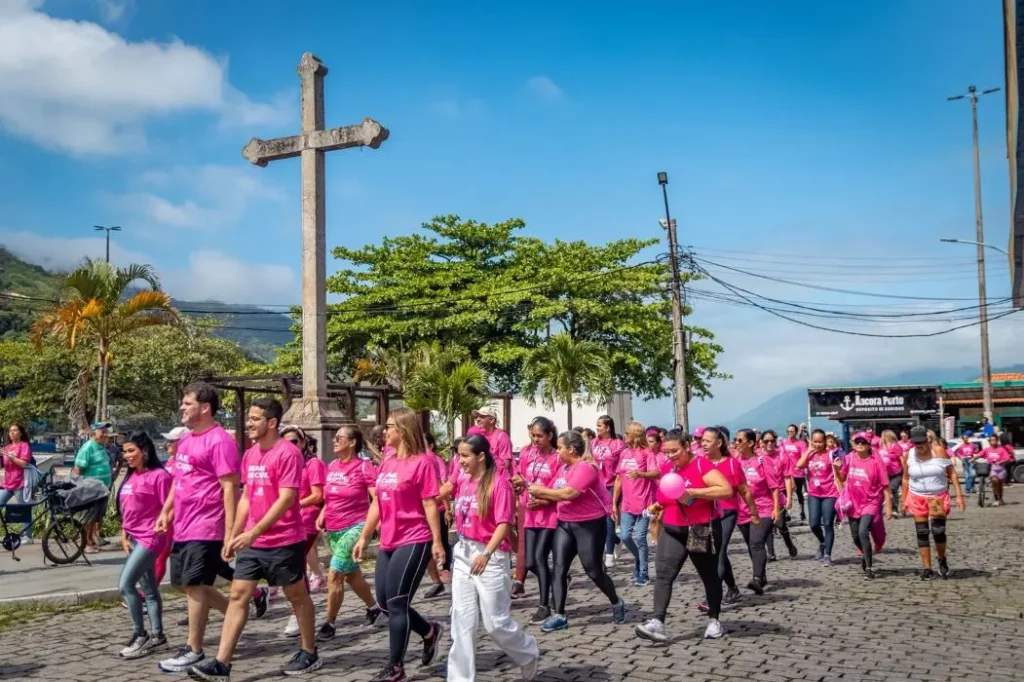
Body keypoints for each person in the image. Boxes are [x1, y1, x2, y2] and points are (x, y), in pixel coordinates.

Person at [186, 398, 320, 681]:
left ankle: (309, 651)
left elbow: (287, 499)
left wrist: (254, 531)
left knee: (296, 595)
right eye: (249, 418)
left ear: (272, 423)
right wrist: (234, 533)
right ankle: (222, 664)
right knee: (237, 595)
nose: (249, 424)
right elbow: (246, 496)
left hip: (284, 539)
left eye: (256, 419)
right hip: (252, 542)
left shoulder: (288, 453)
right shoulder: (250, 455)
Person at [352, 407, 445, 682]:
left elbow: (430, 502)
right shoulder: (388, 462)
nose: (384, 431)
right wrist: (364, 536)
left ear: (402, 430)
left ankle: (396, 668)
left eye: (390, 426)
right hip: (388, 540)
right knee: (384, 601)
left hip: (414, 538)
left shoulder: (423, 462)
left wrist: (437, 541)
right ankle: (429, 631)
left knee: (396, 602)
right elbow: (378, 503)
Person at [157, 383, 242, 673]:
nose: (182, 407)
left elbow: (230, 489)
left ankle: (193, 649)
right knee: (182, 583)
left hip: (206, 525)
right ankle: (237, 609)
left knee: (195, 585)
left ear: (205, 407)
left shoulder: (220, 441)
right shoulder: (186, 440)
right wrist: (167, 510)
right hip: (183, 524)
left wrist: (230, 532)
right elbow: (179, 480)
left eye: (187, 403)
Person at [447, 434, 540, 682]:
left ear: (480, 456)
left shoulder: (498, 484)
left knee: (495, 623)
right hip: (464, 552)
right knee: (462, 620)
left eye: (465, 455)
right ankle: (459, 678)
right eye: (459, 455)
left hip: (490, 555)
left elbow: (503, 523)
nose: (460, 460)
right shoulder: (464, 481)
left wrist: (486, 553)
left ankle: (527, 650)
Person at [634, 429, 734, 643]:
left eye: (675, 451)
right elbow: (668, 495)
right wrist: (657, 506)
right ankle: (657, 622)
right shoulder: (668, 468)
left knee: (709, 576)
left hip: (700, 529)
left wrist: (695, 492)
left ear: (687, 446)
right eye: (666, 451)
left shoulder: (701, 465)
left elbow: (725, 489)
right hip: (672, 529)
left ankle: (714, 620)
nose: (671, 456)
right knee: (663, 575)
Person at [528, 430, 626, 633]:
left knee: (593, 571)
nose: (557, 451)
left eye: (560, 447)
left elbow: (569, 493)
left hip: (589, 525)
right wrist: (537, 496)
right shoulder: (563, 469)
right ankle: (559, 615)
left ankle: (616, 601)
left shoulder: (586, 468)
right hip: (565, 524)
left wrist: (539, 491)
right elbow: (555, 493)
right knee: (559, 567)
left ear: (571, 449)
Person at [316, 426, 384, 641]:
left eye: (339, 438)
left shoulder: (363, 467)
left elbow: (377, 498)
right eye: (334, 437)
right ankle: (374, 609)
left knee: (335, 574)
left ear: (352, 442)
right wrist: (323, 513)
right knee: (352, 576)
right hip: (334, 529)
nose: (334, 441)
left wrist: (378, 523)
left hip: (356, 526)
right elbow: (331, 495)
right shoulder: (332, 465)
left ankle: (329, 623)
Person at [116, 431, 173, 659]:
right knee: (149, 591)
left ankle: (140, 634)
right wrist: (123, 533)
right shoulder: (131, 477)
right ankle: (158, 636)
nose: (127, 455)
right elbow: (128, 509)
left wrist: (164, 524)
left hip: (151, 537)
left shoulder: (159, 476)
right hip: (134, 537)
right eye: (125, 451)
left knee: (125, 585)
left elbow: (171, 506)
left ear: (145, 451)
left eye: (131, 451)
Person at [510, 417, 561, 624]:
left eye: (540, 436)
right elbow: (521, 477)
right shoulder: (526, 452)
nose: (535, 439)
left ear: (550, 436)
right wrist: (517, 488)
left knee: (539, 557)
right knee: (530, 561)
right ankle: (557, 580)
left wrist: (542, 499)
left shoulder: (557, 457)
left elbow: (559, 488)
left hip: (549, 514)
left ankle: (544, 605)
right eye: (533, 435)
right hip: (530, 513)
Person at [700, 426, 758, 609]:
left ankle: (713, 598)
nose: (703, 444)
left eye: (707, 441)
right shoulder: (700, 463)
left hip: (727, 512)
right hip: (706, 514)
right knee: (714, 553)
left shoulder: (732, 464)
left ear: (718, 443)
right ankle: (733, 588)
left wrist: (754, 513)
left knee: (719, 551)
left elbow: (745, 491)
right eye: (702, 441)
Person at [279, 425, 327, 637]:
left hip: (307, 520)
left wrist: (295, 503)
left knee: (296, 565)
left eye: (294, 442)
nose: (291, 446)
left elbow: (318, 494)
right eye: (286, 442)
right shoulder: (286, 463)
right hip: (288, 521)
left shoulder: (313, 464)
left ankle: (297, 613)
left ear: (304, 442)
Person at [900, 425, 965, 580]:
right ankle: (927, 568)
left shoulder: (939, 452)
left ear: (928, 439)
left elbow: (952, 474)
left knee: (938, 531)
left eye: (921, 442)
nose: (919, 446)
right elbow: (905, 478)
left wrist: (959, 496)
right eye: (915, 443)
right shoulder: (908, 455)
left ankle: (942, 559)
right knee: (922, 532)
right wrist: (903, 500)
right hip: (917, 496)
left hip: (937, 497)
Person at [836, 433, 893, 579]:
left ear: (869, 445)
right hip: (853, 502)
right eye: (857, 442)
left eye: (863, 442)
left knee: (863, 532)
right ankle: (866, 554)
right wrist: (837, 468)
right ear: (853, 444)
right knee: (855, 536)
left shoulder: (875, 462)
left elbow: (885, 485)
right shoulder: (849, 458)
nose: (860, 444)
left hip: (871, 502)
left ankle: (869, 567)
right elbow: (842, 478)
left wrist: (889, 507)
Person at [612, 422, 660, 586]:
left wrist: (640, 473)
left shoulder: (647, 453)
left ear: (635, 435)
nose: (624, 436)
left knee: (640, 538)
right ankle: (639, 559)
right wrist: (614, 502)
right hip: (627, 503)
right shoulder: (624, 453)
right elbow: (619, 478)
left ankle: (643, 573)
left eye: (627, 433)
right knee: (624, 536)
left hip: (644, 502)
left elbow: (655, 473)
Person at [734, 428, 779, 593]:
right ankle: (762, 575)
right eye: (735, 440)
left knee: (757, 542)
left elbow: (774, 487)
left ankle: (757, 579)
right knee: (751, 545)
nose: (736, 443)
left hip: (763, 508)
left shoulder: (762, 460)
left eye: (740, 440)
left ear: (751, 443)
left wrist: (776, 509)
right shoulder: (736, 461)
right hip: (743, 511)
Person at [796, 429, 840, 567]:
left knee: (827, 524)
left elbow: (841, 472)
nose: (817, 444)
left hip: (830, 493)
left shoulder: (831, 454)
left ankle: (827, 555)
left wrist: (838, 467)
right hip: (814, 493)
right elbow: (799, 465)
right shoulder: (810, 454)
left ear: (825, 441)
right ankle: (822, 542)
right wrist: (809, 450)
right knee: (813, 524)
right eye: (815, 441)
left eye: (820, 441)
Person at [73, 421, 114, 553]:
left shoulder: (101, 447)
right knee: (88, 517)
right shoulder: (88, 448)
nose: (105, 434)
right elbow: (78, 469)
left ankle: (90, 540)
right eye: (102, 431)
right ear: (94, 432)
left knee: (95, 517)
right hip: (90, 489)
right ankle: (85, 544)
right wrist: (80, 487)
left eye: (106, 431)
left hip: (102, 490)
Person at [758, 430, 798, 560]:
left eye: (772, 441)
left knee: (780, 524)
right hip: (764, 495)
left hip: (780, 492)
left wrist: (789, 498)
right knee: (767, 523)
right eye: (766, 441)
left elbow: (787, 478)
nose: (769, 443)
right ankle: (771, 552)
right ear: (761, 443)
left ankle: (789, 543)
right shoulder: (757, 456)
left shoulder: (782, 456)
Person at [591, 415, 625, 568]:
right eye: (597, 425)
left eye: (599, 426)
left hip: (611, 485)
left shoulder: (618, 444)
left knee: (609, 519)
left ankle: (609, 554)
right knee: (598, 522)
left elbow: (621, 467)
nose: (597, 428)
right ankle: (616, 541)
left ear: (607, 427)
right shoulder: (593, 443)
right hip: (596, 486)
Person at [422, 432, 451, 600]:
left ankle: (445, 569)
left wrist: (447, 509)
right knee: (426, 547)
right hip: (422, 510)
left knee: (441, 541)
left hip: (436, 507)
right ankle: (436, 580)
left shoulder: (434, 459)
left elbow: (443, 484)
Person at [1, 423, 33, 541]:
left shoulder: (24, 446)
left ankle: (28, 536)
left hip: (20, 483)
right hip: (7, 483)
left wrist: (10, 456)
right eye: (10, 431)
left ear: (20, 433)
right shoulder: (8, 447)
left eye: (15, 430)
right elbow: (4, 465)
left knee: (23, 509)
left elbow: (24, 463)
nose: (12, 433)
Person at [472, 406, 514, 477]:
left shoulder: (502, 437)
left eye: (482, 417)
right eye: (477, 417)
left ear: (492, 420)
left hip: (497, 479)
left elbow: (505, 464)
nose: (478, 419)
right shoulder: (479, 437)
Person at [781, 424, 807, 523]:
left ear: (796, 432)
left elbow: (803, 457)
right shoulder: (783, 442)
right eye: (788, 431)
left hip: (797, 473)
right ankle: (787, 513)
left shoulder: (801, 443)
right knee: (786, 493)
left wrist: (800, 466)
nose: (789, 433)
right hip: (786, 472)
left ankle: (802, 511)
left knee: (799, 492)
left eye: (791, 431)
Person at [977, 434, 1012, 506]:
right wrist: (972, 459)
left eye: (994, 440)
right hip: (992, 469)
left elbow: (1007, 458)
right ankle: (996, 499)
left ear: (997, 441)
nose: (993, 441)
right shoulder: (987, 449)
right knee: (994, 481)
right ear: (989, 441)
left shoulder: (1001, 449)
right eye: (991, 440)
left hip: (1001, 469)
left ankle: (1000, 498)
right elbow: (979, 455)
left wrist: (1001, 461)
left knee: (999, 485)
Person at [646, 428, 666, 547]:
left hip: (663, 489)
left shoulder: (664, 455)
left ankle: (660, 537)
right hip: (651, 489)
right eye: (647, 441)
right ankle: (655, 537)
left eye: (651, 441)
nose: (649, 444)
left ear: (658, 443)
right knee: (654, 515)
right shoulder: (647, 455)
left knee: (660, 516)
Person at [877, 430, 904, 517]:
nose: (883, 438)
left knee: (893, 488)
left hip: (896, 472)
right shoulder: (880, 447)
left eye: (884, 436)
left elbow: (901, 458)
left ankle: (895, 509)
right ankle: (886, 508)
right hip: (884, 473)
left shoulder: (895, 446)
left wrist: (905, 471)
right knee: (884, 491)